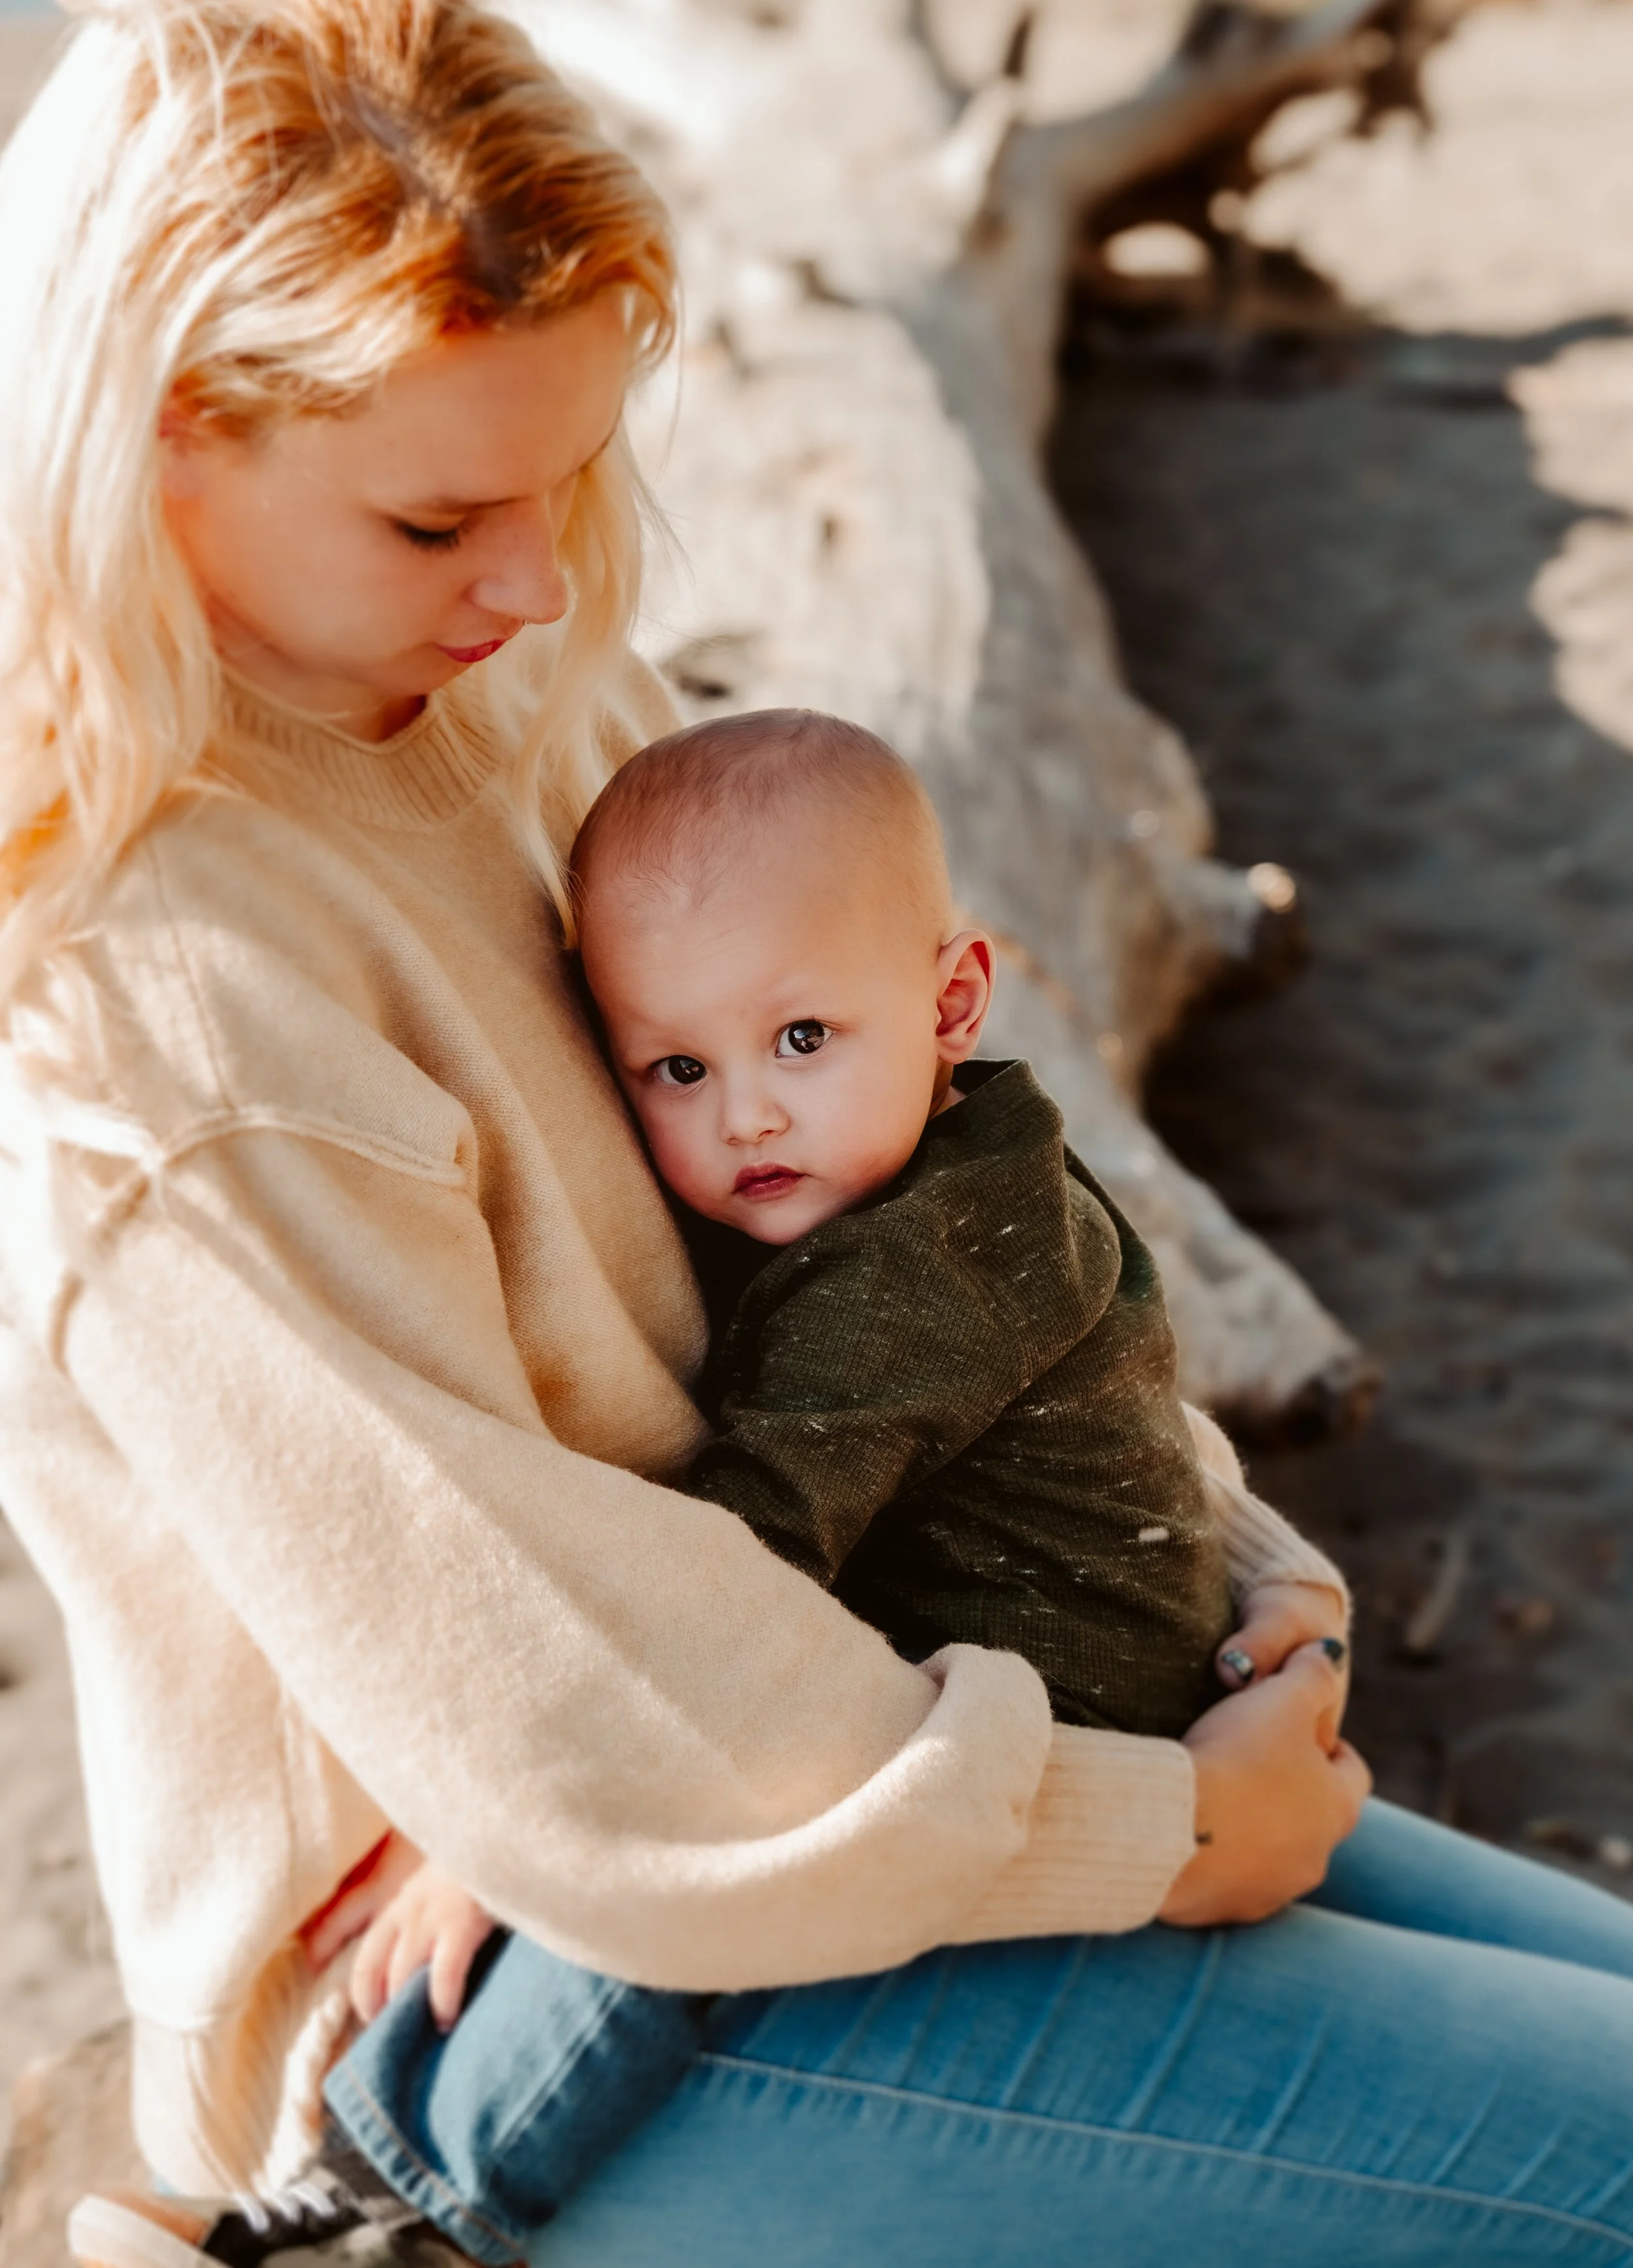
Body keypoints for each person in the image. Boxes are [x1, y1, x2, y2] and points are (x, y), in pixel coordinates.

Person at [0, 2, 1623, 2265]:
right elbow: (570, 1713)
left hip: (899, 1735)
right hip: (522, 2025)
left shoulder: (493, 699)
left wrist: (1231, 1581)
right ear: (156, 435)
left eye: (562, 484)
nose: (541, 585)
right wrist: (1156, 1838)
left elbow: (923, 1204)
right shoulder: (168, 1013)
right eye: (440, 513)